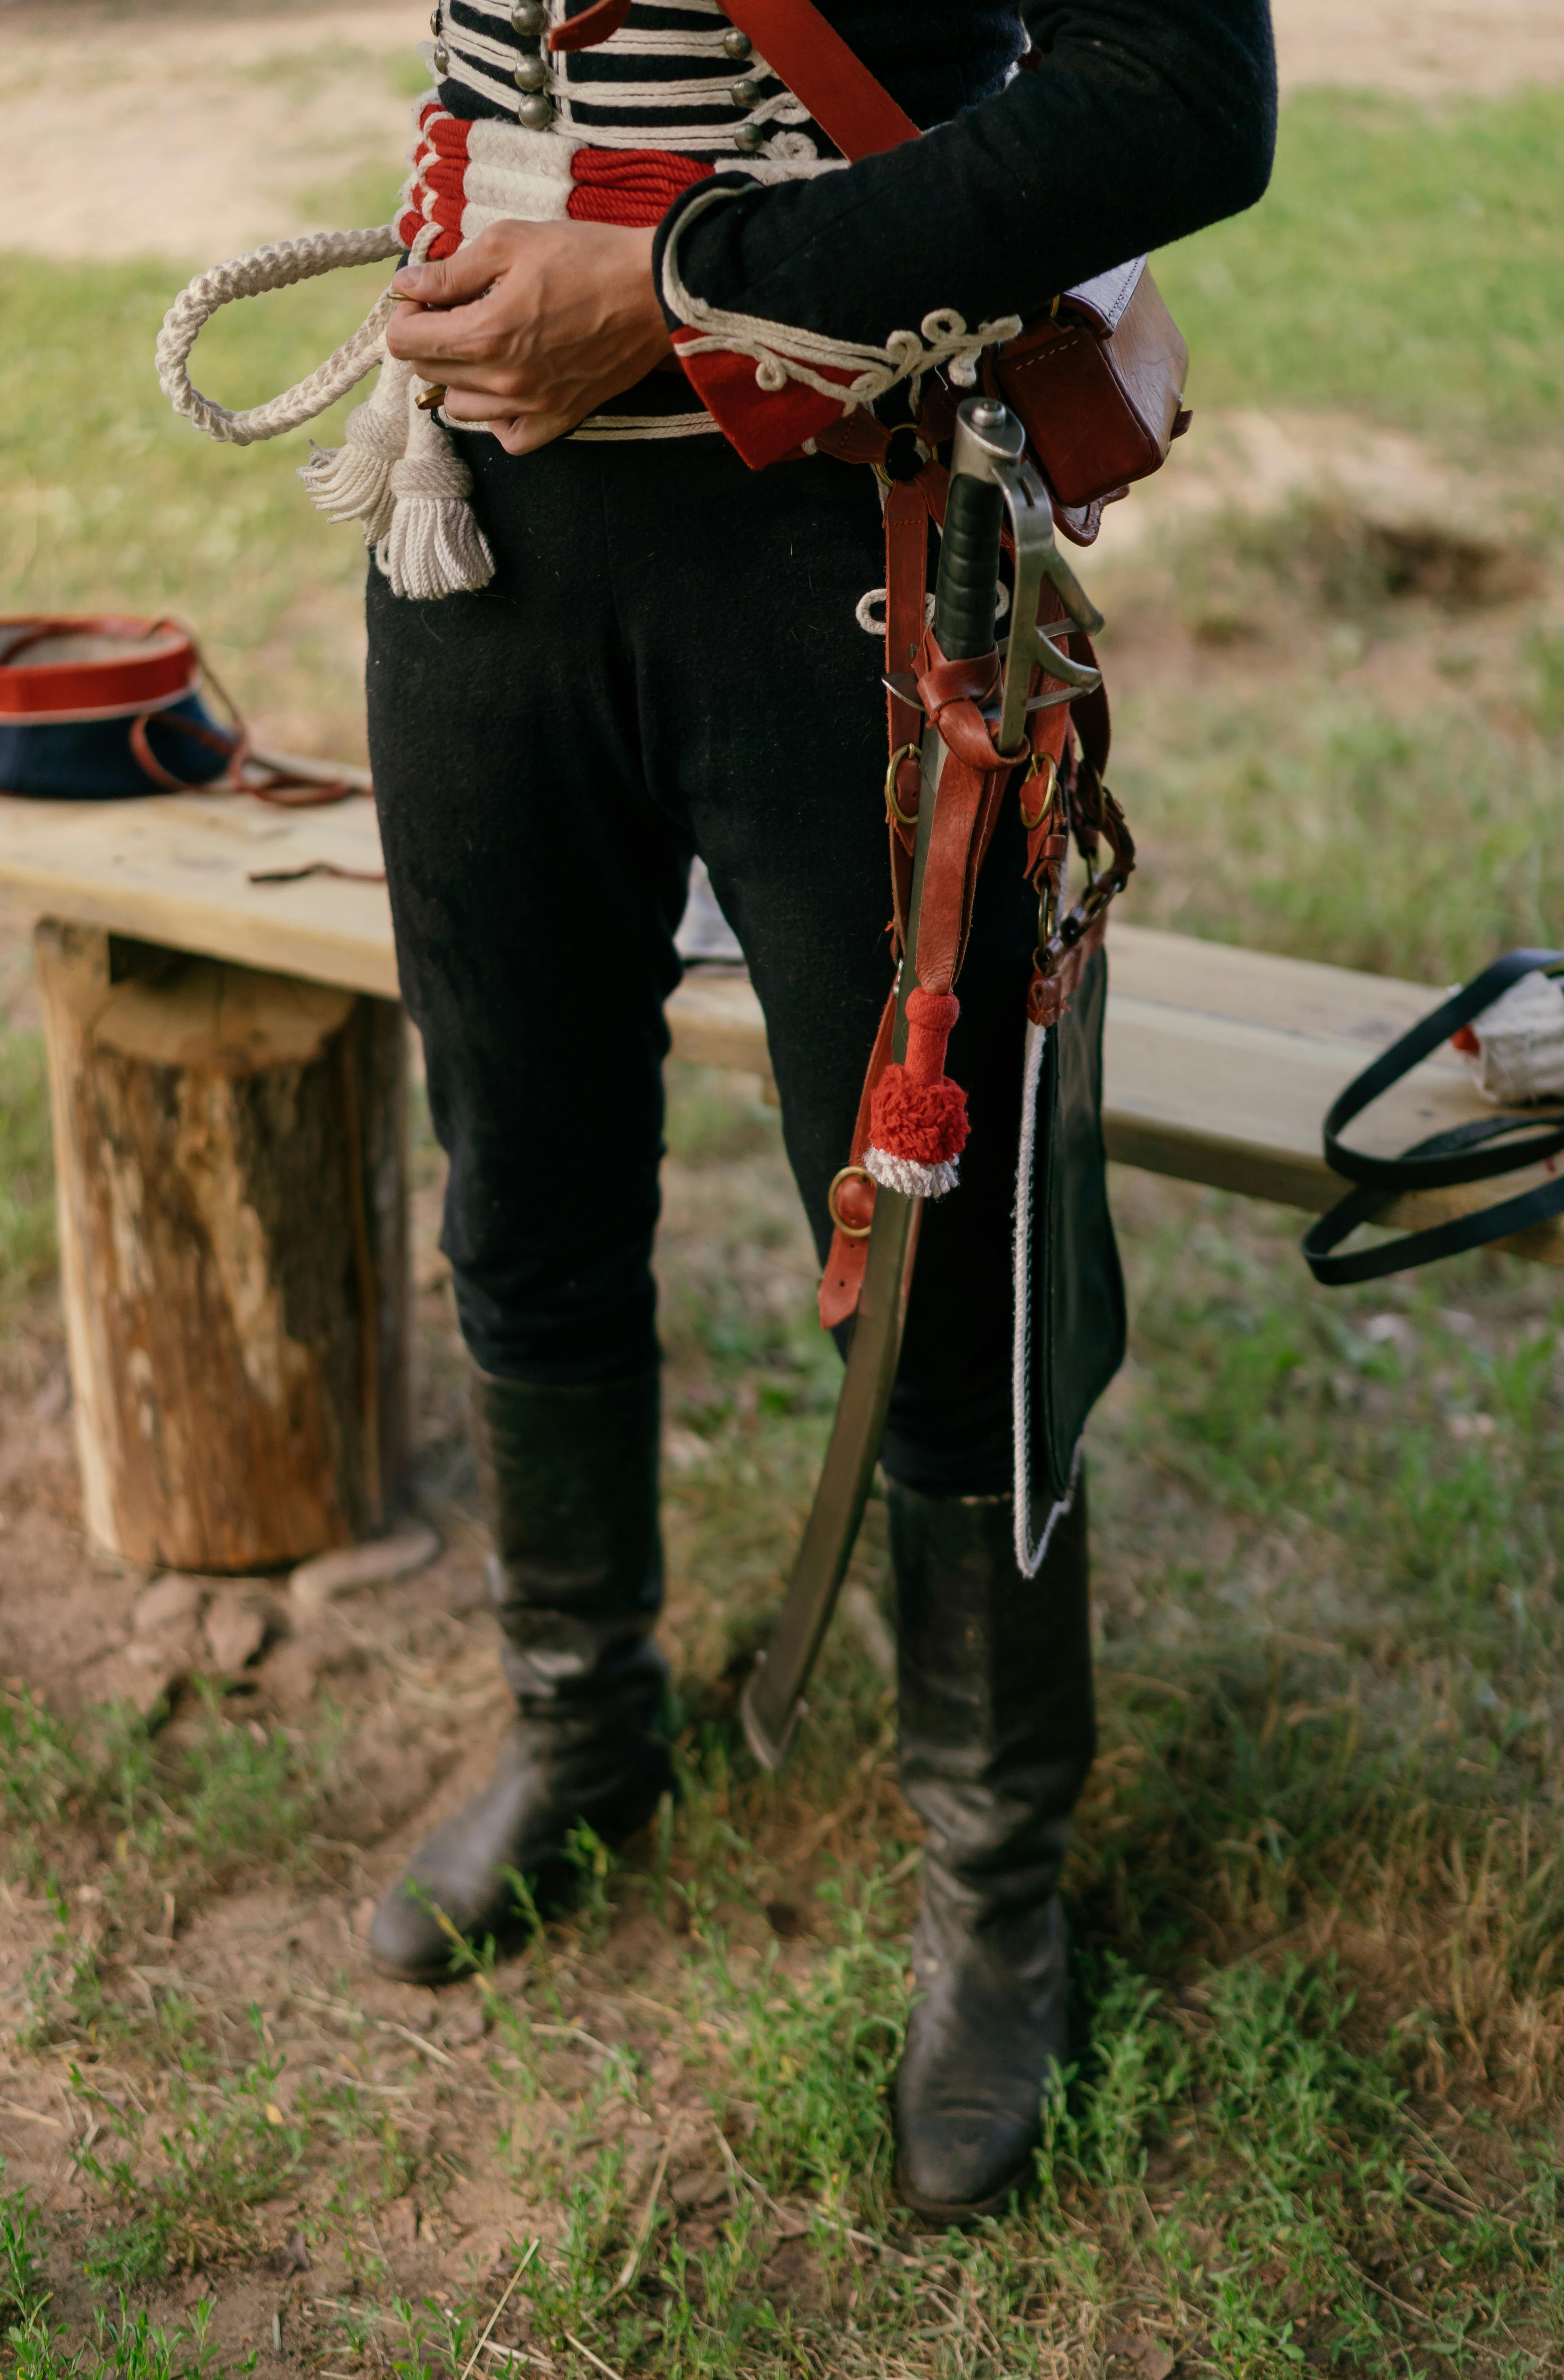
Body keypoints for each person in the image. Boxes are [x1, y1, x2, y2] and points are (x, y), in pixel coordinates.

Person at [350, 0, 1276, 2220]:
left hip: (851, 522)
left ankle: (994, 1877)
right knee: (523, 1171)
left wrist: (673, 284)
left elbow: (1183, 99)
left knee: (943, 1255)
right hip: (479, 521)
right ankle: (587, 1722)